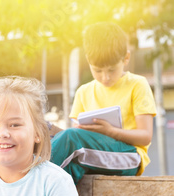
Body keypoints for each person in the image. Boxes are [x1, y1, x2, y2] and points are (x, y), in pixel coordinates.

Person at [51, 22, 156, 184]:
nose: (105, 77)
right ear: (88, 61)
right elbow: (77, 131)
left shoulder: (137, 84)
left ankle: (31, 185)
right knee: (67, 168)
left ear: (126, 58)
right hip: (92, 156)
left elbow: (145, 137)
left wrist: (110, 131)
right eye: (98, 70)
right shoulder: (83, 91)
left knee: (70, 138)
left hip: (130, 157)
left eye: (112, 70)